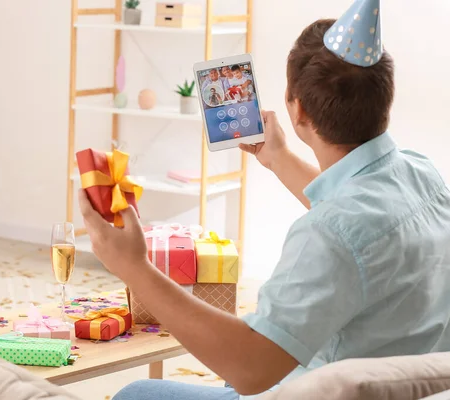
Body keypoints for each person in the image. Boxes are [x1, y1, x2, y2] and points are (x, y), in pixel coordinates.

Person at [78, 1, 450, 399]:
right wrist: (279, 158)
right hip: (406, 384)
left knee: (138, 392)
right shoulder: (422, 176)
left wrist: (134, 268)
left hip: (316, 389)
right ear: (384, 102)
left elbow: (251, 370)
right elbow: (361, 226)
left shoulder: (325, 234)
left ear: (298, 108)